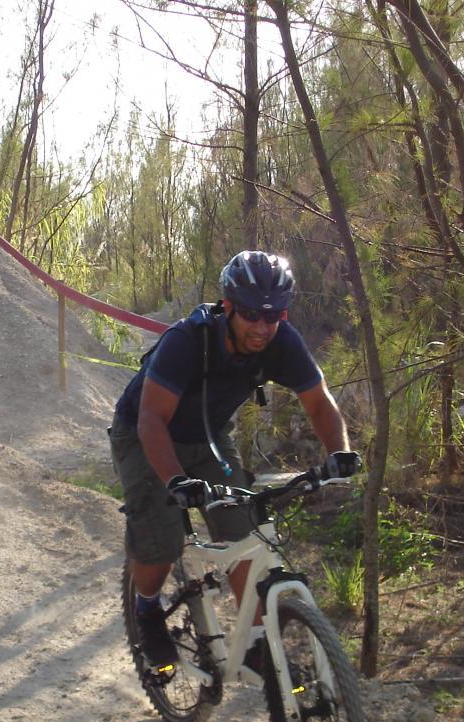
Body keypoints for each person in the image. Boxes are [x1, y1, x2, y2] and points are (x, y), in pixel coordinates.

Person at [108, 250, 361, 670]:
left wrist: (341, 453)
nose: (262, 327)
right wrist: (174, 480)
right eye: (250, 314)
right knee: (160, 534)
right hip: (144, 432)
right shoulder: (187, 342)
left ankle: (257, 641)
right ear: (228, 307)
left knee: (244, 533)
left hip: (207, 436)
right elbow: (151, 419)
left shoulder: (281, 342)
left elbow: (319, 402)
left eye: (274, 316)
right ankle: (147, 608)